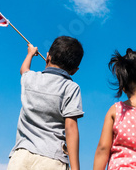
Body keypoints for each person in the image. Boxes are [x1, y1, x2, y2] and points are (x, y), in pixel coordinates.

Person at [8, 36, 84, 170]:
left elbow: (24, 70)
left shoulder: (30, 78)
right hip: (52, 159)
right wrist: (76, 168)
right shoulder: (71, 88)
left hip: (21, 157)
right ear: (74, 70)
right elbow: (70, 128)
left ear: (48, 56)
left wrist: (30, 54)